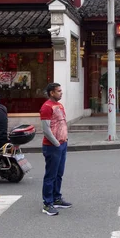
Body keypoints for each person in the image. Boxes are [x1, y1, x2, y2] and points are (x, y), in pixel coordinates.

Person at [40, 83, 72, 216]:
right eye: (58, 91)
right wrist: (56, 143)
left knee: (59, 174)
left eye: (61, 90)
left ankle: (56, 198)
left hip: (62, 144)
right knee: (51, 175)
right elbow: (46, 129)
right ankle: (47, 203)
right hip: (53, 146)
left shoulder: (59, 105)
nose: (61, 93)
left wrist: (65, 139)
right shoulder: (46, 107)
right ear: (51, 93)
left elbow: (62, 123)